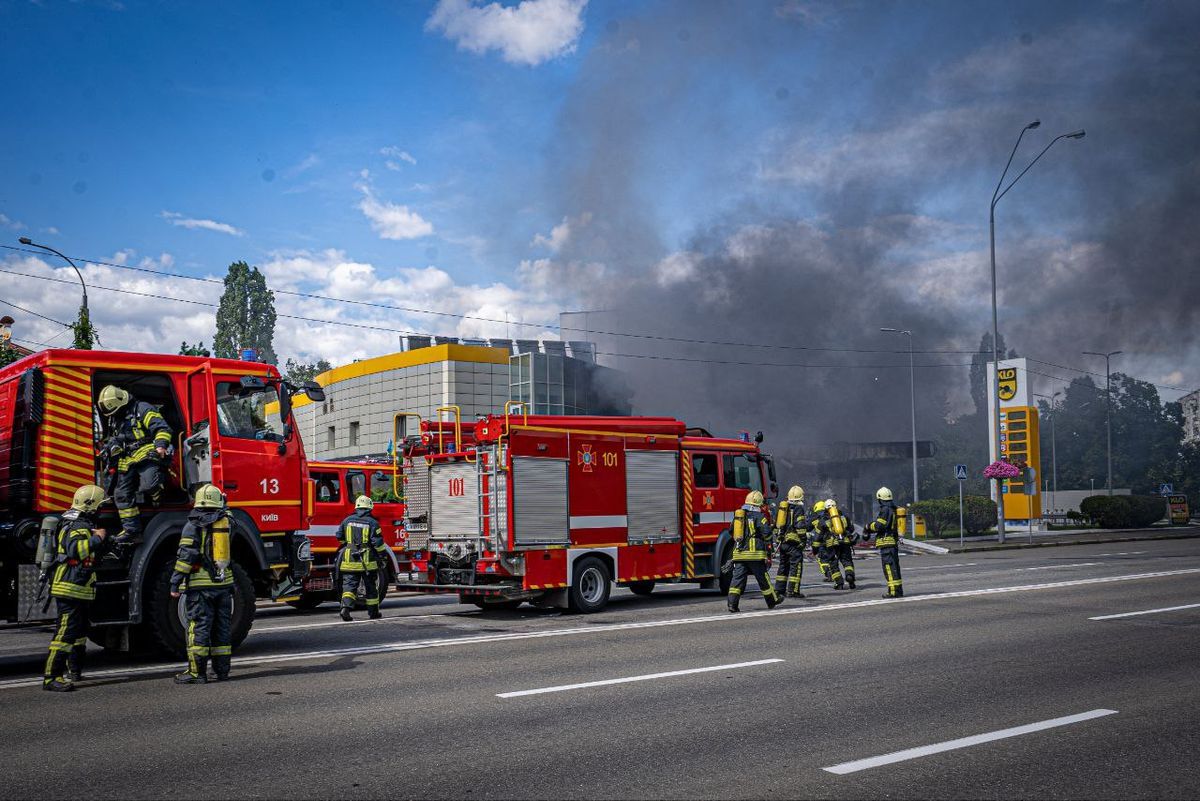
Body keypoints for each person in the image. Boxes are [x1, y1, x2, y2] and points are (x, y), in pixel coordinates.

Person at [43, 485, 108, 692]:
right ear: (90, 504)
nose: (101, 508)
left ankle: (75, 670)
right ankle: (51, 677)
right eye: (99, 504)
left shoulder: (82, 523)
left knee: (79, 630)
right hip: (69, 587)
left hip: (78, 586)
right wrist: (98, 538)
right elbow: (75, 550)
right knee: (65, 632)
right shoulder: (75, 525)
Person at [170, 484, 235, 684]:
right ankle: (222, 671)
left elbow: (186, 556)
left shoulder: (193, 525)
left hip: (200, 586)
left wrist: (175, 582)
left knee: (199, 628)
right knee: (222, 628)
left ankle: (197, 673)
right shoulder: (228, 522)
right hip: (224, 583)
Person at [97, 385, 172, 544]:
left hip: (146, 452)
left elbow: (162, 428)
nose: (113, 414)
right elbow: (116, 437)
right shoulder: (116, 416)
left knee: (149, 484)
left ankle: (158, 493)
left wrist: (160, 446)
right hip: (127, 457)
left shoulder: (142, 408)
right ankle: (132, 531)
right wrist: (111, 447)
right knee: (121, 494)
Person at [727, 490, 783, 613]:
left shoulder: (739, 515)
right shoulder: (760, 516)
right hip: (754, 555)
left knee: (737, 579)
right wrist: (767, 542)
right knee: (763, 579)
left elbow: (731, 531)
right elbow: (767, 533)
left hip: (739, 554)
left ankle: (732, 604)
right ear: (758, 504)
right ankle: (772, 600)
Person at [337, 495, 386, 622]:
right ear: (369, 507)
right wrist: (382, 556)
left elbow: (339, 537)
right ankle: (373, 613)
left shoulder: (347, 520)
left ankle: (345, 608)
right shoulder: (373, 523)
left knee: (349, 586)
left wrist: (350, 544)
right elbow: (378, 544)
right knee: (370, 587)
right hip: (367, 561)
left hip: (349, 559)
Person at [864, 486, 903, 598]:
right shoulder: (894, 508)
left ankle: (893, 592)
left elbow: (879, 525)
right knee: (895, 568)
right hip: (892, 542)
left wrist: (868, 526)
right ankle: (898, 590)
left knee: (889, 568)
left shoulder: (885, 509)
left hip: (886, 543)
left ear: (880, 498)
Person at [772, 485, 808, 599]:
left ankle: (779, 590)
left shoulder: (783, 508)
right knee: (795, 566)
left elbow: (776, 526)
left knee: (783, 566)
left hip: (783, 543)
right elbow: (800, 526)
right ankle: (793, 591)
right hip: (794, 543)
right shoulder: (798, 509)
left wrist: (779, 538)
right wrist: (803, 540)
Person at [810, 500, 847, 590]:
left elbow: (817, 535)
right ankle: (849, 576)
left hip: (827, 544)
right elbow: (848, 528)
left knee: (829, 562)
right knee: (845, 561)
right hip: (840, 541)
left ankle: (838, 582)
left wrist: (814, 548)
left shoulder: (820, 519)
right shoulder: (840, 516)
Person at [826, 498, 857, 590]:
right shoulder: (844, 517)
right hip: (845, 542)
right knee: (847, 561)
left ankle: (839, 583)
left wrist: (816, 546)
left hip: (832, 545)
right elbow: (851, 529)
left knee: (833, 563)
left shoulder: (824, 520)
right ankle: (850, 576)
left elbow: (820, 534)